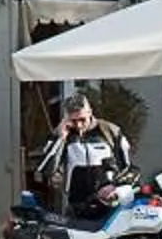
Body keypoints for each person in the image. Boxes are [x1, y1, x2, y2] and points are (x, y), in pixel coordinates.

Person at [36, 90, 135, 227]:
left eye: (82, 120)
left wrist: (114, 186)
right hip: (77, 206)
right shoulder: (64, 134)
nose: (79, 125)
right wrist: (59, 138)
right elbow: (45, 169)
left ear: (90, 112)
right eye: (74, 121)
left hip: (109, 205)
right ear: (67, 118)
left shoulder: (109, 131)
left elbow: (129, 168)